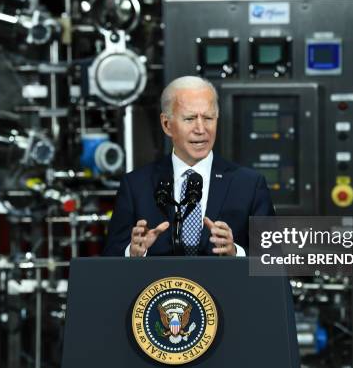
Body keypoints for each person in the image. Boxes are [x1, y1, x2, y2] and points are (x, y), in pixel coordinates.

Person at [103, 76, 274, 257]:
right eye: (190, 118)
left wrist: (236, 253)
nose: (201, 129)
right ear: (167, 125)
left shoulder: (249, 185)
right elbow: (109, 259)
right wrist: (133, 252)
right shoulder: (136, 185)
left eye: (208, 118)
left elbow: (273, 262)